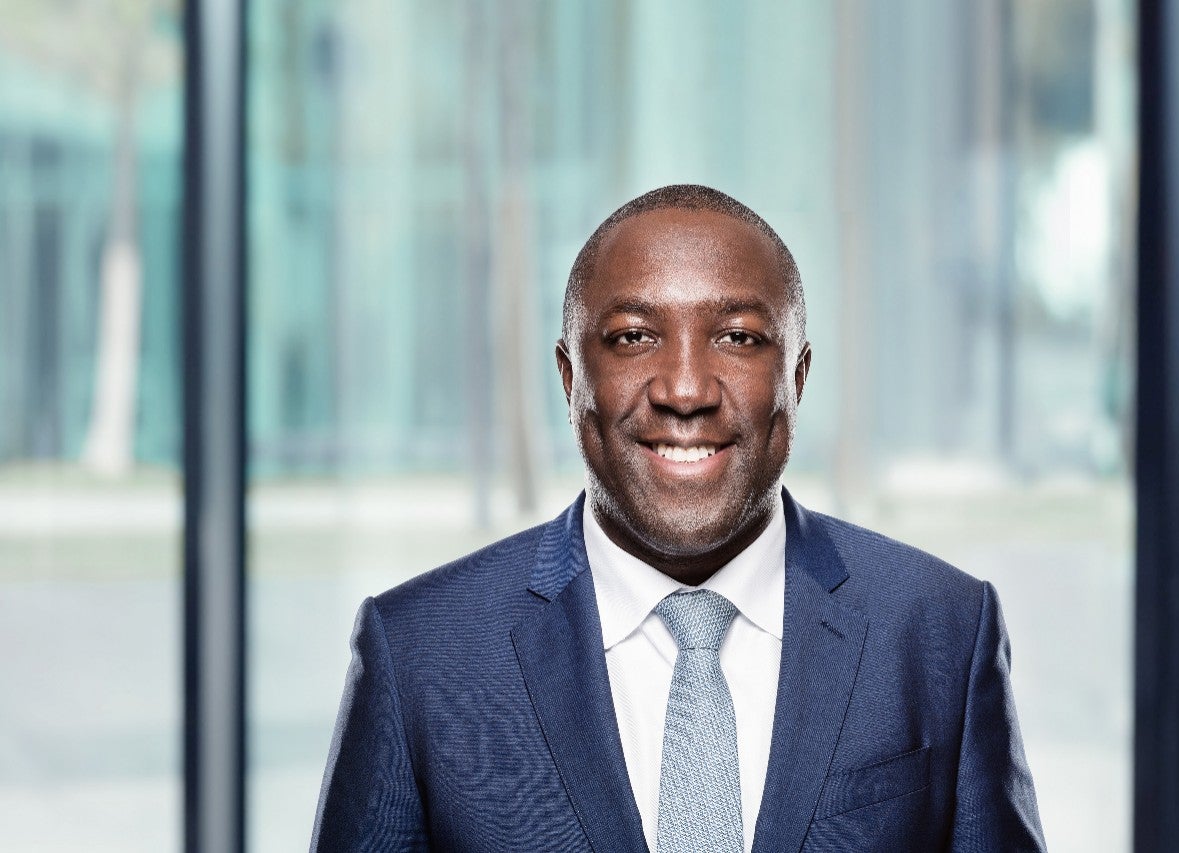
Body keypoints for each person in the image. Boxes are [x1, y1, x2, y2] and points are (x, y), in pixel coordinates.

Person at [311, 185, 1046, 852]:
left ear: (797, 377)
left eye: (738, 337)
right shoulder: (418, 652)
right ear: (570, 379)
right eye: (634, 337)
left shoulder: (942, 627)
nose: (686, 390)